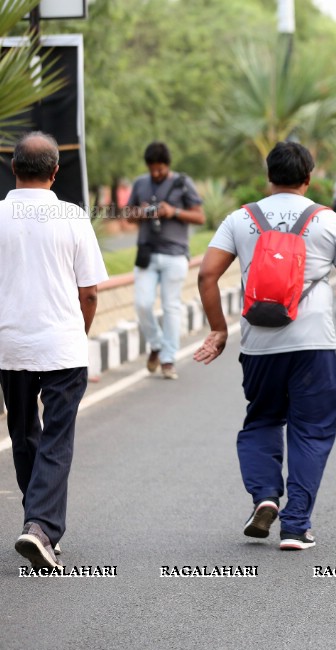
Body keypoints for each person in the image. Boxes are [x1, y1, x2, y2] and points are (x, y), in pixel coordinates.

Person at [194, 141, 336, 550]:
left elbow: (206, 276)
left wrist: (219, 329)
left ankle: (265, 497)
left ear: (268, 175)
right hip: (314, 345)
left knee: (261, 421)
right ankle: (295, 526)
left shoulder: (241, 219)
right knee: (311, 430)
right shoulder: (328, 222)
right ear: (308, 177)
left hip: (258, 344)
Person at [0, 132, 108, 569]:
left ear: (13, 169)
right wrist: (78, 334)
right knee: (56, 439)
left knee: (24, 434)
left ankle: (38, 524)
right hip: (63, 345)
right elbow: (90, 292)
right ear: (56, 171)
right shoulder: (73, 217)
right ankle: (40, 527)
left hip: (11, 345)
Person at [127, 141, 206, 380]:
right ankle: (157, 344)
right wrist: (140, 213)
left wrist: (174, 212)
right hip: (146, 253)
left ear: (167, 166)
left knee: (171, 307)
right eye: (152, 169)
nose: (156, 173)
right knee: (142, 303)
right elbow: (128, 215)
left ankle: (168, 359)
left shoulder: (182, 183)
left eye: (160, 169)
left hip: (175, 254)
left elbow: (200, 217)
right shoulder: (141, 183)